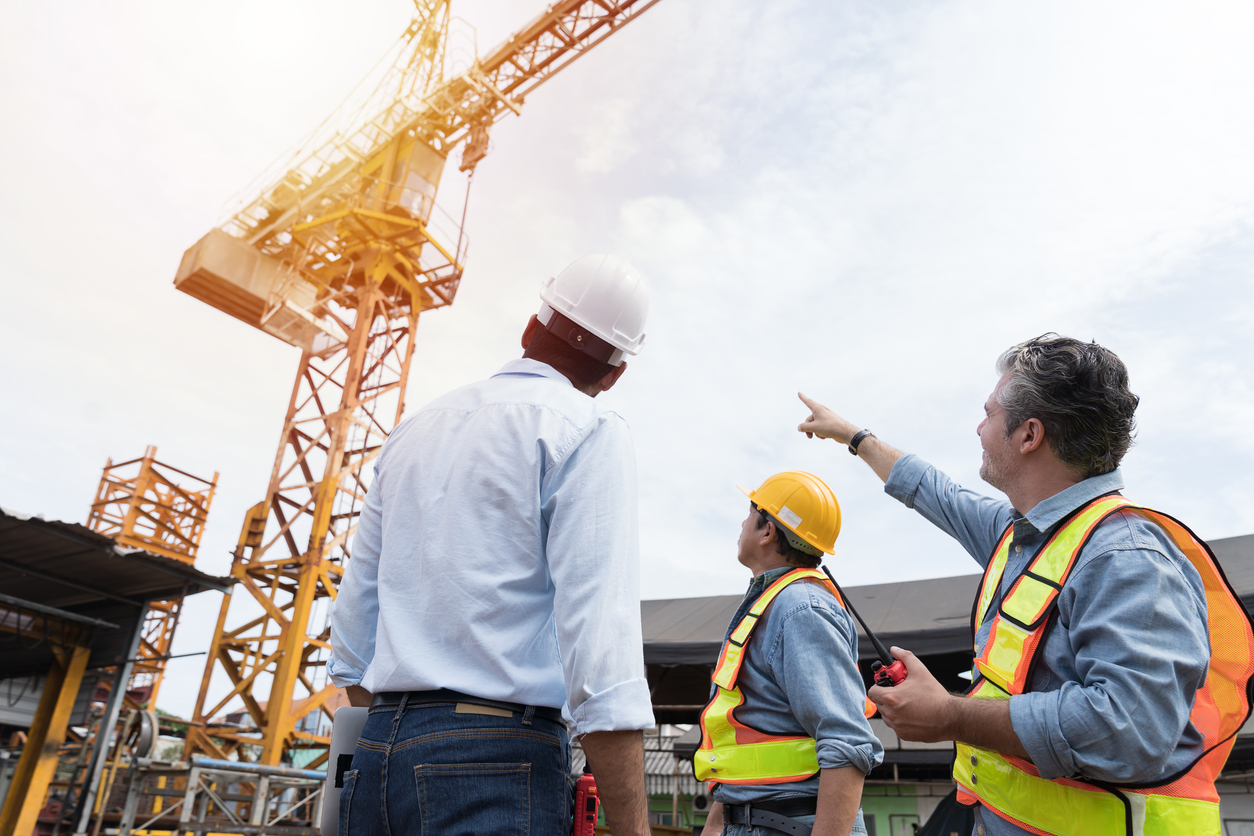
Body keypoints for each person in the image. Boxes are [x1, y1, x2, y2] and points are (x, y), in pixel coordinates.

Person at [795, 334, 1254, 836]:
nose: (978, 428)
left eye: (988, 414)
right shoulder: (1022, 535)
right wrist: (854, 436)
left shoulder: (1125, 556)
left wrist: (950, 715)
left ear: (1029, 434)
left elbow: (1128, 729)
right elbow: (936, 493)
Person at [327, 254, 656, 836]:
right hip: (496, 762)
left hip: (375, 752)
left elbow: (353, 637)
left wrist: (392, 745)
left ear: (530, 329)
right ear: (614, 375)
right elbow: (600, 651)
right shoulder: (588, 431)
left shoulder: (414, 428)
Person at [696, 471, 884, 836]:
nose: (742, 521)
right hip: (759, 819)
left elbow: (846, 742)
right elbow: (753, 735)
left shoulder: (800, 608)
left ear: (767, 531)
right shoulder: (774, 604)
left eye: (751, 511)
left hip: (787, 824)